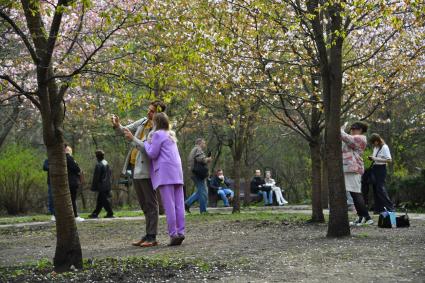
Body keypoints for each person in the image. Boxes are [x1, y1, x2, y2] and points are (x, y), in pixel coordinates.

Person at [125, 112, 185, 246]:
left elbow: (152, 153)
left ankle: (173, 235)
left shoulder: (158, 134)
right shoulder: (171, 135)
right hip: (177, 172)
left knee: (169, 205)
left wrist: (146, 143)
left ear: (156, 123)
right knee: (179, 204)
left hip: (165, 173)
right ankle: (181, 232)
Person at [112, 100, 166, 247]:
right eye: (148, 110)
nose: (148, 113)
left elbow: (149, 150)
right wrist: (117, 125)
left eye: (152, 111)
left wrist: (133, 138)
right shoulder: (143, 121)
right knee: (143, 203)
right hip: (135, 167)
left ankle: (152, 236)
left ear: (159, 114)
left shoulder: (158, 130)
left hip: (147, 169)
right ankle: (148, 233)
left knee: (151, 203)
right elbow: (125, 130)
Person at [341, 122, 373, 226]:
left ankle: (367, 218)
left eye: (356, 128)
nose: (353, 130)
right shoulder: (351, 137)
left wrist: (340, 128)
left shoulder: (361, 138)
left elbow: (344, 136)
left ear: (362, 130)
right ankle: (361, 217)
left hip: (354, 169)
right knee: (353, 194)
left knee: (356, 193)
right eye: (352, 128)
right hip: (348, 168)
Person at [369, 133, 395, 213]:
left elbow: (389, 160)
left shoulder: (384, 147)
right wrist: (372, 158)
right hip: (375, 168)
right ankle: (378, 209)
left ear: (377, 141)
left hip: (381, 169)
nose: (373, 144)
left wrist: (376, 158)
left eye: (374, 142)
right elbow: (376, 158)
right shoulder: (376, 148)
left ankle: (390, 207)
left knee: (380, 188)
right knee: (375, 189)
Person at [185, 138, 211, 213]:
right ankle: (203, 211)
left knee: (200, 191)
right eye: (204, 143)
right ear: (200, 143)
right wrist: (208, 159)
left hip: (194, 173)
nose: (205, 144)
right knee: (203, 192)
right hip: (198, 174)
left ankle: (187, 204)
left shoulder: (193, 150)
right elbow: (201, 159)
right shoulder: (198, 149)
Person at [88, 150, 114, 219]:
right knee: (100, 200)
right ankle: (95, 213)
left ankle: (110, 213)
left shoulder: (99, 165)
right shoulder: (106, 163)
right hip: (107, 185)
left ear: (97, 156)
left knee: (104, 200)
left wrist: (94, 187)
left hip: (102, 185)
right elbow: (110, 174)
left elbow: (96, 177)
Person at [65, 145, 85, 222]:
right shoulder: (69, 158)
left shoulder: (61, 158)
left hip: (67, 182)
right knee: (72, 199)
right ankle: (75, 216)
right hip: (72, 181)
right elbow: (77, 169)